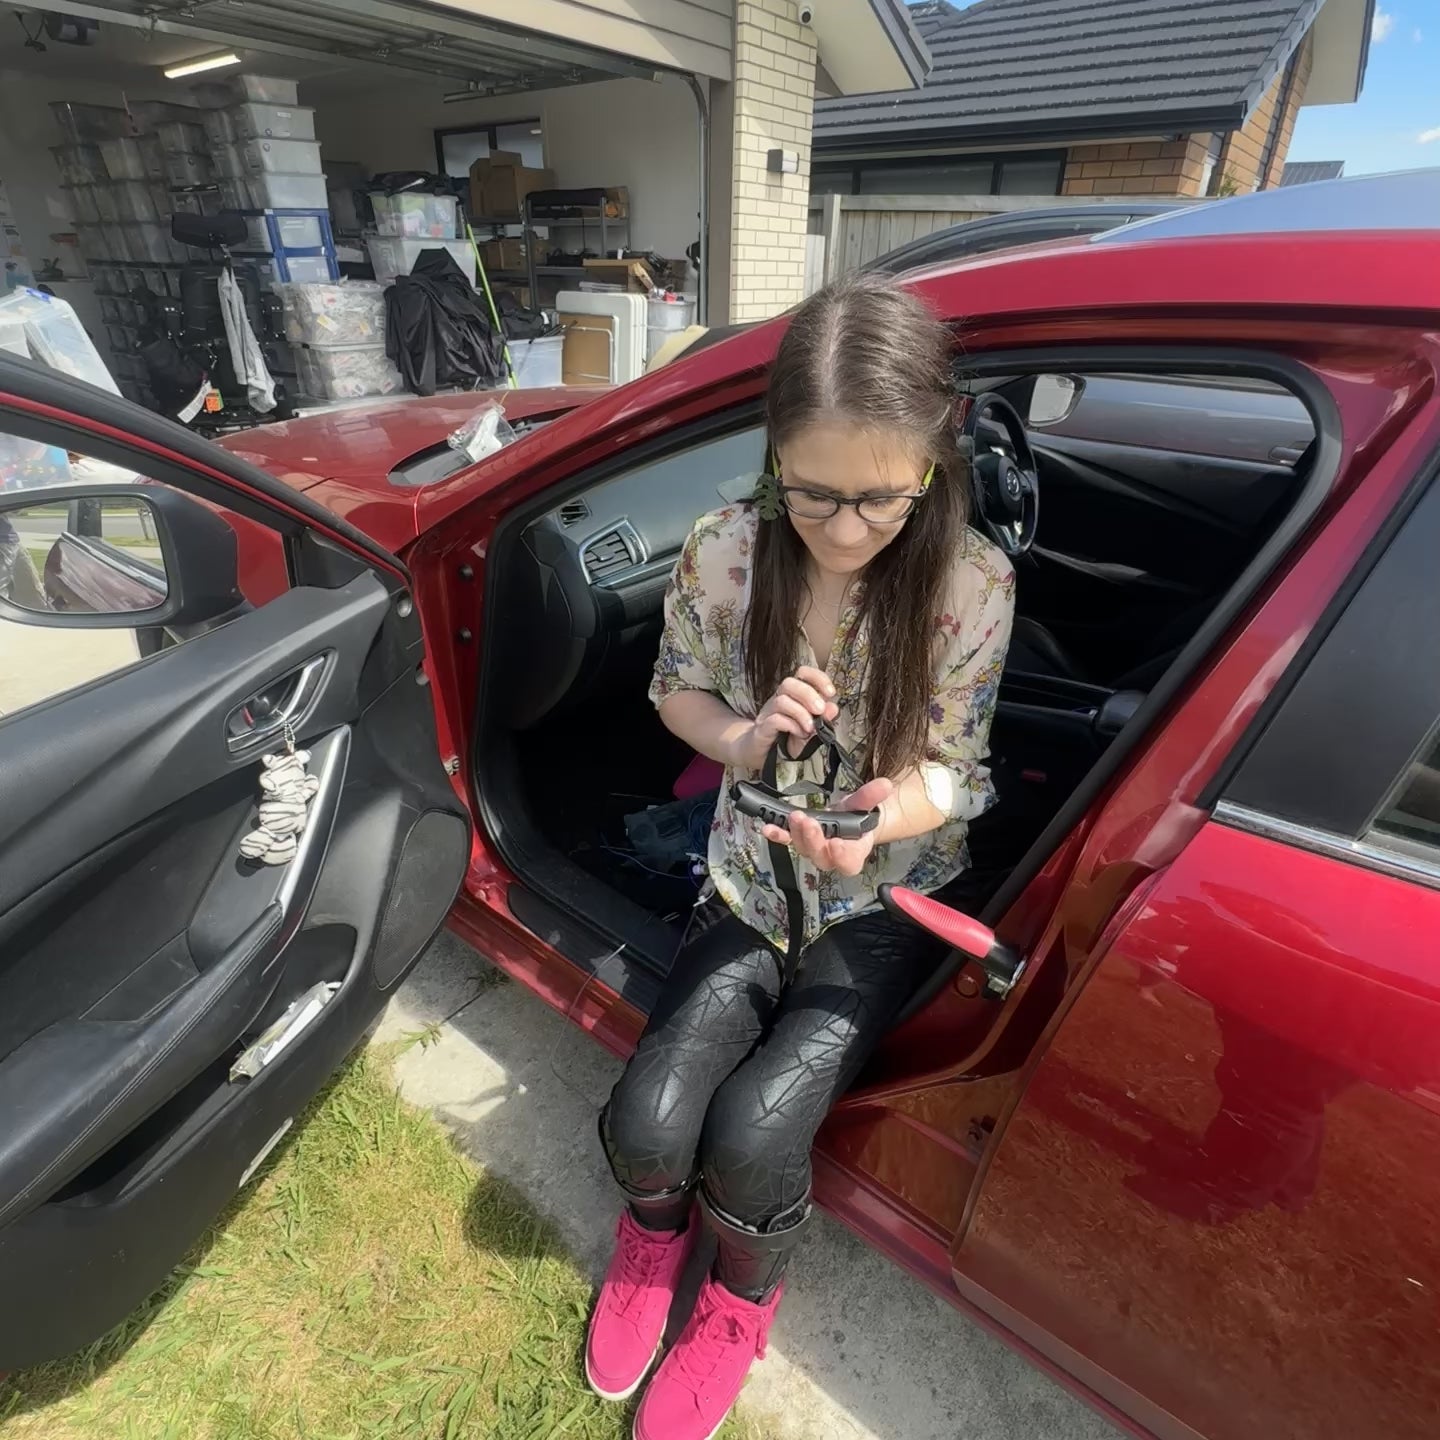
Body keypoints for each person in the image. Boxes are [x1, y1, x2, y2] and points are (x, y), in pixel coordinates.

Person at [587, 272, 1016, 1439]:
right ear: (773, 447)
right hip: (746, 878)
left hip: (881, 899)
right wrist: (742, 739)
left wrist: (882, 820)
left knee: (754, 1135)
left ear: (935, 454)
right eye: (813, 492)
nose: (845, 530)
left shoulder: (971, 580)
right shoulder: (727, 552)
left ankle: (739, 1300)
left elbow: (957, 769)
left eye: (882, 498)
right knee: (647, 1118)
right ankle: (652, 1237)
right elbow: (675, 690)